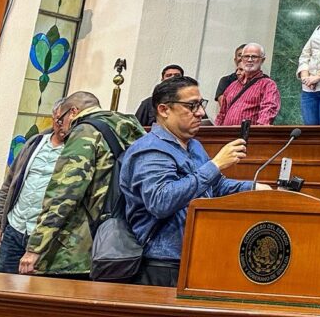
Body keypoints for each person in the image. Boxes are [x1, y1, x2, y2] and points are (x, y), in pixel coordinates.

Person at [120, 75, 269, 286]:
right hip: (161, 264)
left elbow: (215, 186)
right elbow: (161, 202)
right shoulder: (150, 150)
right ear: (164, 110)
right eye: (191, 106)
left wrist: (254, 188)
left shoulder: (194, 145)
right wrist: (215, 164)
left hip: (196, 256)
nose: (200, 113)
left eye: (201, 104)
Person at [19, 91, 144, 277]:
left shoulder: (85, 132)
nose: (61, 128)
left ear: (73, 112)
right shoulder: (128, 128)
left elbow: (64, 193)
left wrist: (35, 247)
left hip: (77, 247)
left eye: (60, 120)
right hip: (117, 240)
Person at [0, 98, 69, 273]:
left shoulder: (73, 151)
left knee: (32, 291)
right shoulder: (34, 143)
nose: (61, 125)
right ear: (53, 116)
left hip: (44, 236)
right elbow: (9, 183)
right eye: (58, 119)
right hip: (16, 228)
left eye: (65, 121)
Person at [215, 43, 280, 126]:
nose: (249, 60)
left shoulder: (268, 85)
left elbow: (268, 110)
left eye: (254, 57)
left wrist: (258, 133)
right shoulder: (232, 86)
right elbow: (222, 114)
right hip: (228, 136)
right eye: (246, 56)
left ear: (262, 60)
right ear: (241, 59)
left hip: (250, 136)